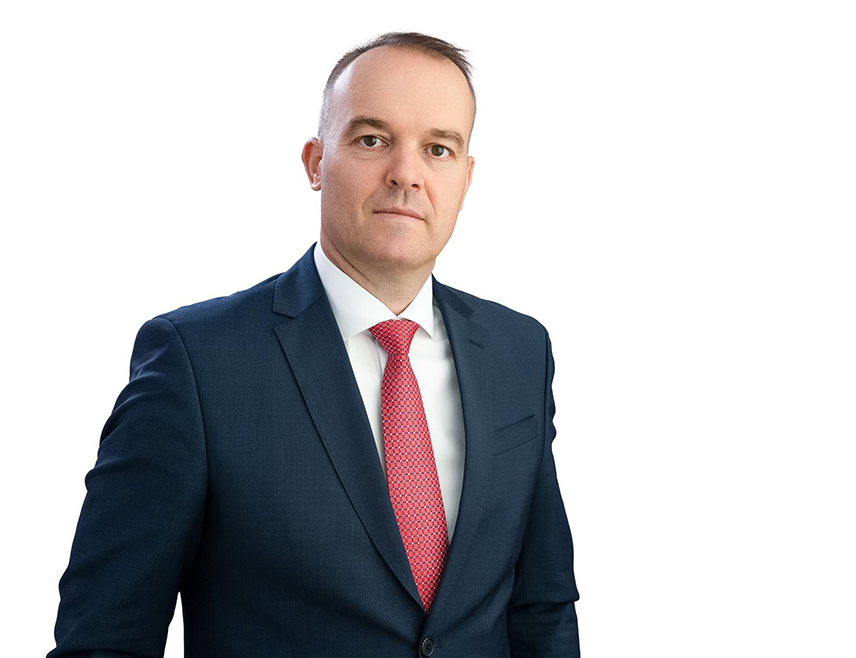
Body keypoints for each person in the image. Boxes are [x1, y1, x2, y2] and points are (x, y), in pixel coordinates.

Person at [46, 31, 581, 657]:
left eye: (437, 148)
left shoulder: (520, 352)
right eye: (372, 139)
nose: (406, 174)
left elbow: (541, 609)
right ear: (315, 162)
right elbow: (104, 638)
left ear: (465, 179)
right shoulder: (196, 365)